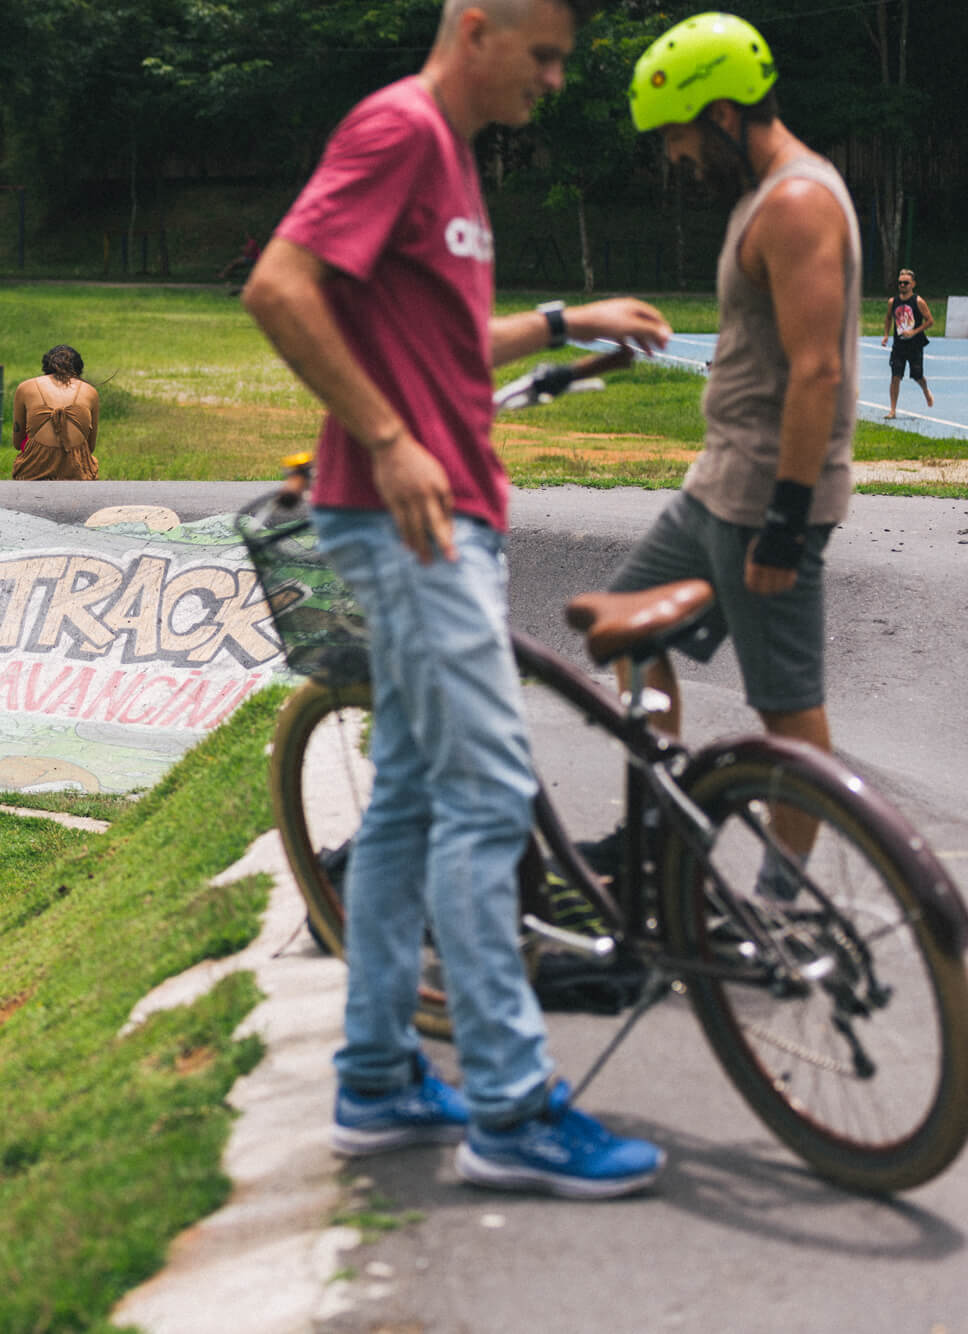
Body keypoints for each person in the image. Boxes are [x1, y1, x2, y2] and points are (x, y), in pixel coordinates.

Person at [242, 0, 672, 1199]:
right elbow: (279, 287)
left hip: (434, 517)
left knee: (407, 812)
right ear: (472, 26)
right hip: (406, 525)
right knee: (487, 794)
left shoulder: (449, 157)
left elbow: (433, 344)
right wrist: (385, 439)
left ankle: (376, 1078)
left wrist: (561, 322)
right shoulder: (396, 129)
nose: (551, 79)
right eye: (538, 55)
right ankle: (510, 1104)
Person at [608, 10, 862, 882]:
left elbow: (817, 371)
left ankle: (781, 907)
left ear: (720, 116)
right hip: (716, 487)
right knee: (624, 630)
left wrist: (787, 523)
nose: (673, 158)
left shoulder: (796, 203)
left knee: (787, 710)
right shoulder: (762, 197)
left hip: (767, 498)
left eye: (676, 136)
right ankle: (666, 832)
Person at [11, 345, 98, 481]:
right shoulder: (90, 391)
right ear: (79, 369)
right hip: (77, 473)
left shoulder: (25, 387)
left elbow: (17, 443)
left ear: (46, 367)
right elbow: (90, 447)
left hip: (33, 471)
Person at [881, 268, 934, 417]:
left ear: (913, 284)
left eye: (906, 283)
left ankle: (925, 390)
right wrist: (886, 335)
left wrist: (914, 331)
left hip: (915, 345)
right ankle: (892, 410)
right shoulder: (893, 302)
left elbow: (930, 321)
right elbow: (888, 318)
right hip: (899, 346)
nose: (903, 285)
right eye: (900, 283)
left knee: (917, 376)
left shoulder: (918, 301)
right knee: (895, 376)